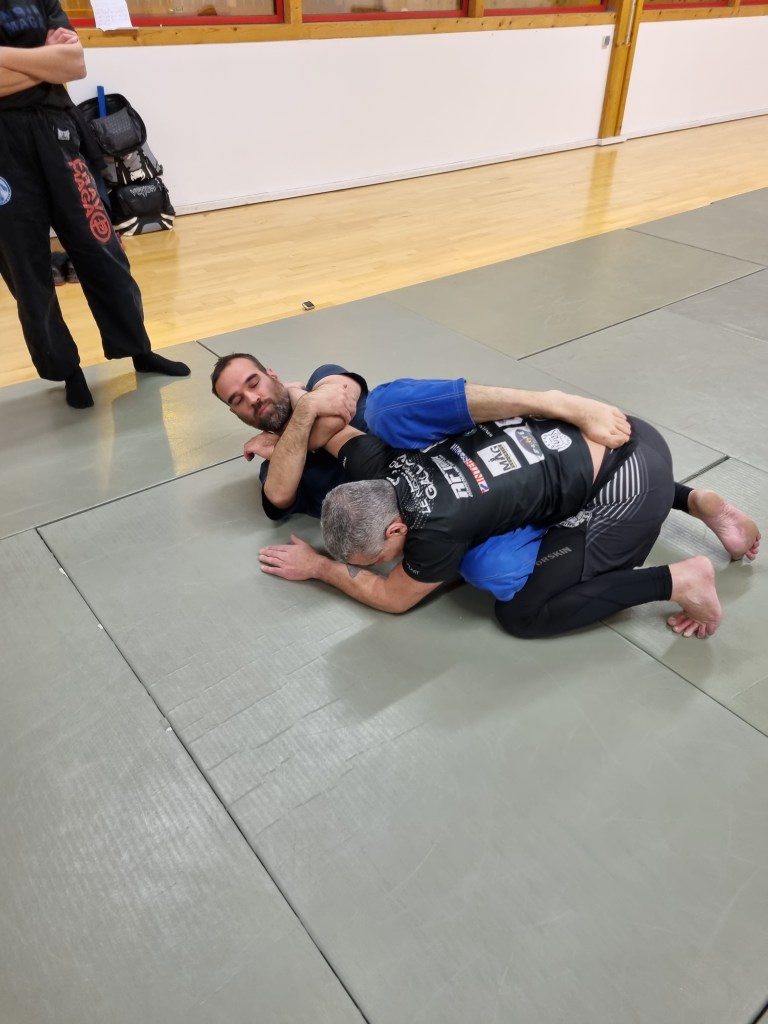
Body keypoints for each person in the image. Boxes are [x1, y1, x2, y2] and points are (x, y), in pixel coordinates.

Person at [258, 378, 760, 639]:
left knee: (522, 614)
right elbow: (332, 430)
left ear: (395, 529)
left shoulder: (433, 534)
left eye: (375, 558)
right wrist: (291, 421)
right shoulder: (380, 463)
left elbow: (393, 598)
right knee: (518, 490)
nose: (383, 564)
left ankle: (679, 581)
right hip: (614, 428)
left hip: (629, 486)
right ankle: (690, 499)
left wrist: (320, 568)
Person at [0, 2, 190, 408]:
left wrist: (14, 61)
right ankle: (67, 371)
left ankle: (138, 350)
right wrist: (43, 61)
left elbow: (73, 64)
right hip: (3, 152)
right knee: (25, 268)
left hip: (57, 133)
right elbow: (56, 65)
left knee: (102, 249)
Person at [210, 353, 368, 519]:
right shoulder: (272, 468)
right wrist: (308, 407)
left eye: (254, 384)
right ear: (236, 413)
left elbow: (333, 419)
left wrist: (296, 398)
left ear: (273, 377)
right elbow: (278, 497)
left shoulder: (323, 377)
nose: (252, 399)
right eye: (238, 401)